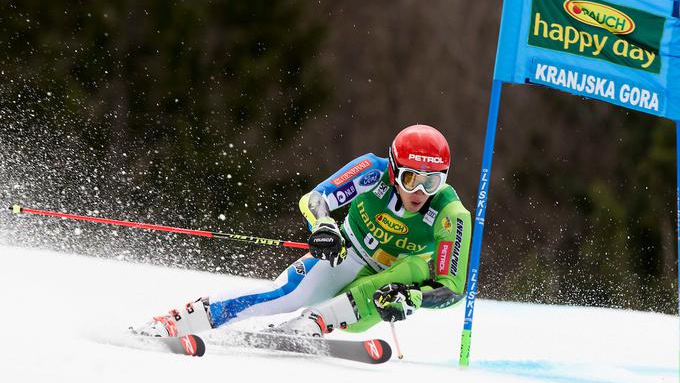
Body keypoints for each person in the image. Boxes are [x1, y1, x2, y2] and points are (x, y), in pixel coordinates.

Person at [134, 124, 471, 338]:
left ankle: (310, 325)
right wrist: (324, 226)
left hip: (384, 290)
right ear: (395, 170)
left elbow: (453, 290)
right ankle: (181, 320)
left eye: (433, 181)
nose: (420, 192)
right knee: (286, 296)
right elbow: (316, 198)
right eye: (411, 178)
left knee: (406, 271)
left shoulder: (450, 214)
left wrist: (412, 298)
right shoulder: (373, 170)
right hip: (348, 254)